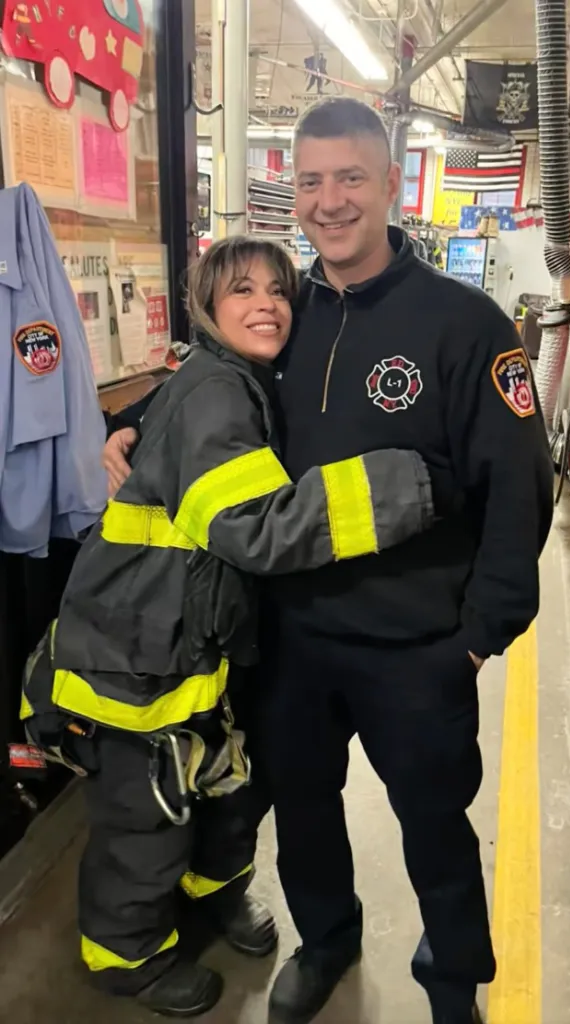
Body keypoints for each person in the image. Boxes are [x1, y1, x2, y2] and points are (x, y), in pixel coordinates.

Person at [103, 97, 554, 1024]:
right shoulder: (285, 314)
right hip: (292, 640)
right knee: (304, 814)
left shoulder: (465, 324)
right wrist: (136, 427)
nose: (329, 200)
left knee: (435, 829)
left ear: (390, 184)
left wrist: (480, 635)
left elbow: (521, 487)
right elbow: (212, 383)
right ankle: (327, 942)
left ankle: (452, 984)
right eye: (310, 182)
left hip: (418, 648)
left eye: (350, 177)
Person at [22, 235, 434, 1019]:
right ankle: (128, 959)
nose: (266, 305)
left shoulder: (239, 378)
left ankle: (212, 895)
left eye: (278, 291)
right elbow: (255, 527)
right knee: (144, 818)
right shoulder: (218, 390)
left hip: (192, 646)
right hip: (135, 659)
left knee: (224, 789)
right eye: (242, 290)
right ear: (207, 308)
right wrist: (404, 487)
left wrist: (129, 422)